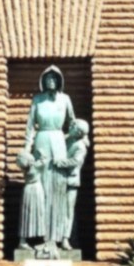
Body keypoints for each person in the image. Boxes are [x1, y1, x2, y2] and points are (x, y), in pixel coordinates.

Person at [23, 64, 75, 253]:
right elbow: (30, 128)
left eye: (54, 78)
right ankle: (42, 235)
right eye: (47, 78)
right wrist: (27, 151)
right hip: (42, 142)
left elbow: (73, 124)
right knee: (41, 190)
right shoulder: (37, 100)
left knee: (59, 189)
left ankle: (61, 237)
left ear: (59, 80)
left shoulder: (65, 99)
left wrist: (76, 144)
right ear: (43, 81)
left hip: (59, 143)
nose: (50, 81)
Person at [60, 118, 90, 251]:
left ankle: (66, 239)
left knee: (67, 211)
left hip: (71, 181)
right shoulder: (67, 138)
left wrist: (60, 162)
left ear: (78, 132)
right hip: (59, 179)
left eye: (73, 126)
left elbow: (75, 161)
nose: (70, 126)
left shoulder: (80, 146)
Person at [16, 150, 47, 249]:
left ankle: (23, 240)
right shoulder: (35, 167)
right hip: (36, 190)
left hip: (27, 190)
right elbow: (44, 159)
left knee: (26, 216)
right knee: (39, 214)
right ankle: (42, 239)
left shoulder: (25, 169)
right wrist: (39, 151)